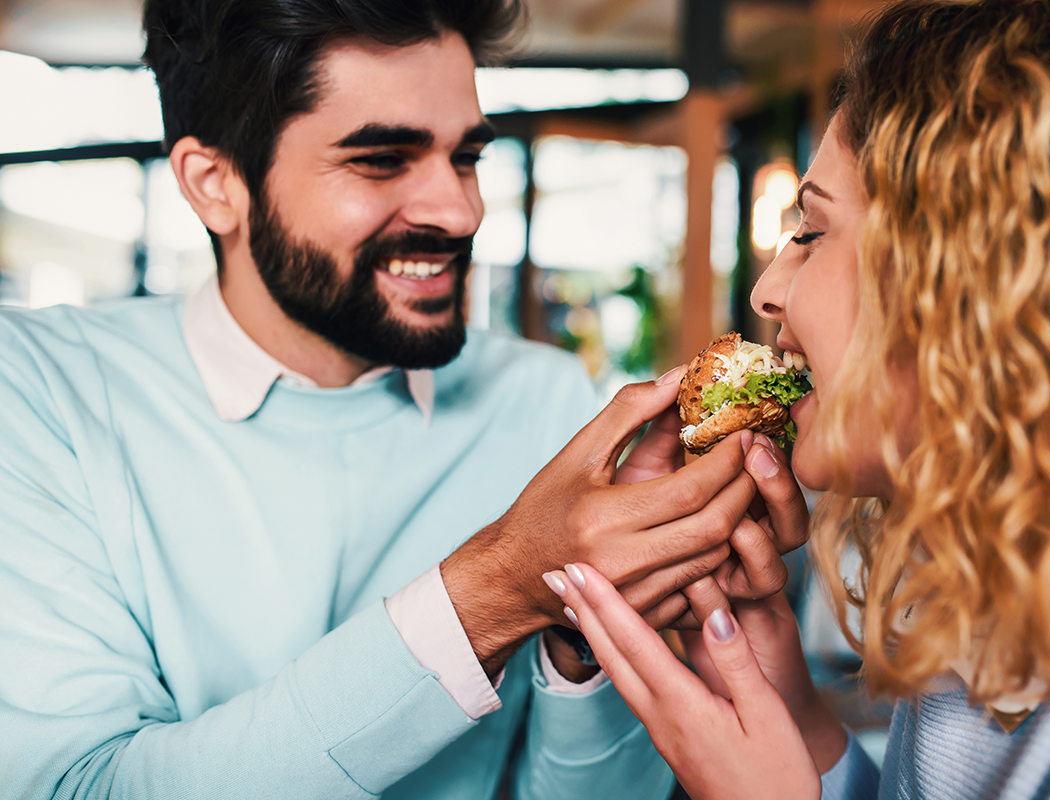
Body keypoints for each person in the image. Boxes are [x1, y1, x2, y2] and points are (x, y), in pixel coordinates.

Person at [0, 0, 807, 797]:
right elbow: (79, 787)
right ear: (215, 185)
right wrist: (497, 587)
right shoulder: (42, 390)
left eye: (467, 158)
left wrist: (584, 633)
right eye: (381, 160)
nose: (461, 212)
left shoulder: (545, 400)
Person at [544, 0, 1050, 797]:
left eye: (812, 233)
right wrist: (795, 717)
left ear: (969, 276)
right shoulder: (989, 588)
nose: (765, 292)